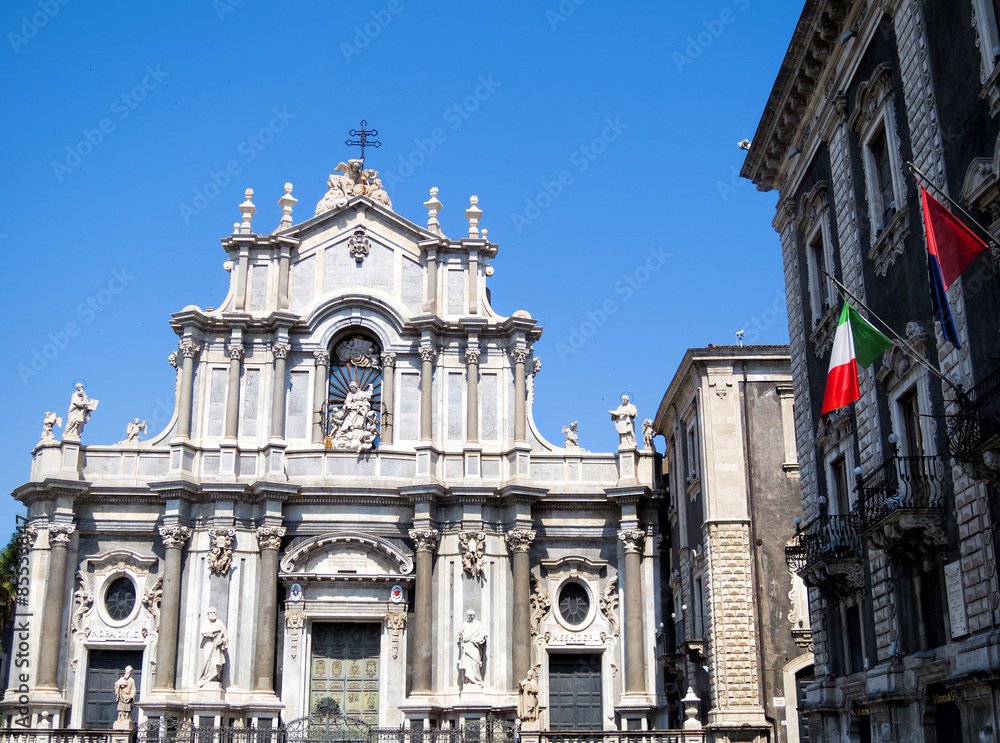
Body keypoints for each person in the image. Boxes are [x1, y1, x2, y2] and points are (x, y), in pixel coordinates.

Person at [197, 608, 229, 687]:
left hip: (216, 646)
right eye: (210, 612)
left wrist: (221, 641)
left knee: (215, 663)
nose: (212, 613)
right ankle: (206, 677)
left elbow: (226, 636)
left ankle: (214, 678)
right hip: (208, 643)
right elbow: (203, 632)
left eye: (214, 612)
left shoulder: (219, 623)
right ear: (208, 614)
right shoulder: (205, 623)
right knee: (206, 660)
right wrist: (213, 631)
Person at [457, 610, 487, 688]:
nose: (470, 616)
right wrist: (460, 637)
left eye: (472, 615)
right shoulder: (464, 625)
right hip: (466, 647)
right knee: (467, 665)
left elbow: (483, 633)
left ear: (474, 616)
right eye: (469, 615)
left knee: (475, 663)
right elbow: (459, 635)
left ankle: (477, 680)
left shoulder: (479, 625)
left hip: (475, 647)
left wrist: (481, 637)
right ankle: (468, 681)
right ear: (467, 616)